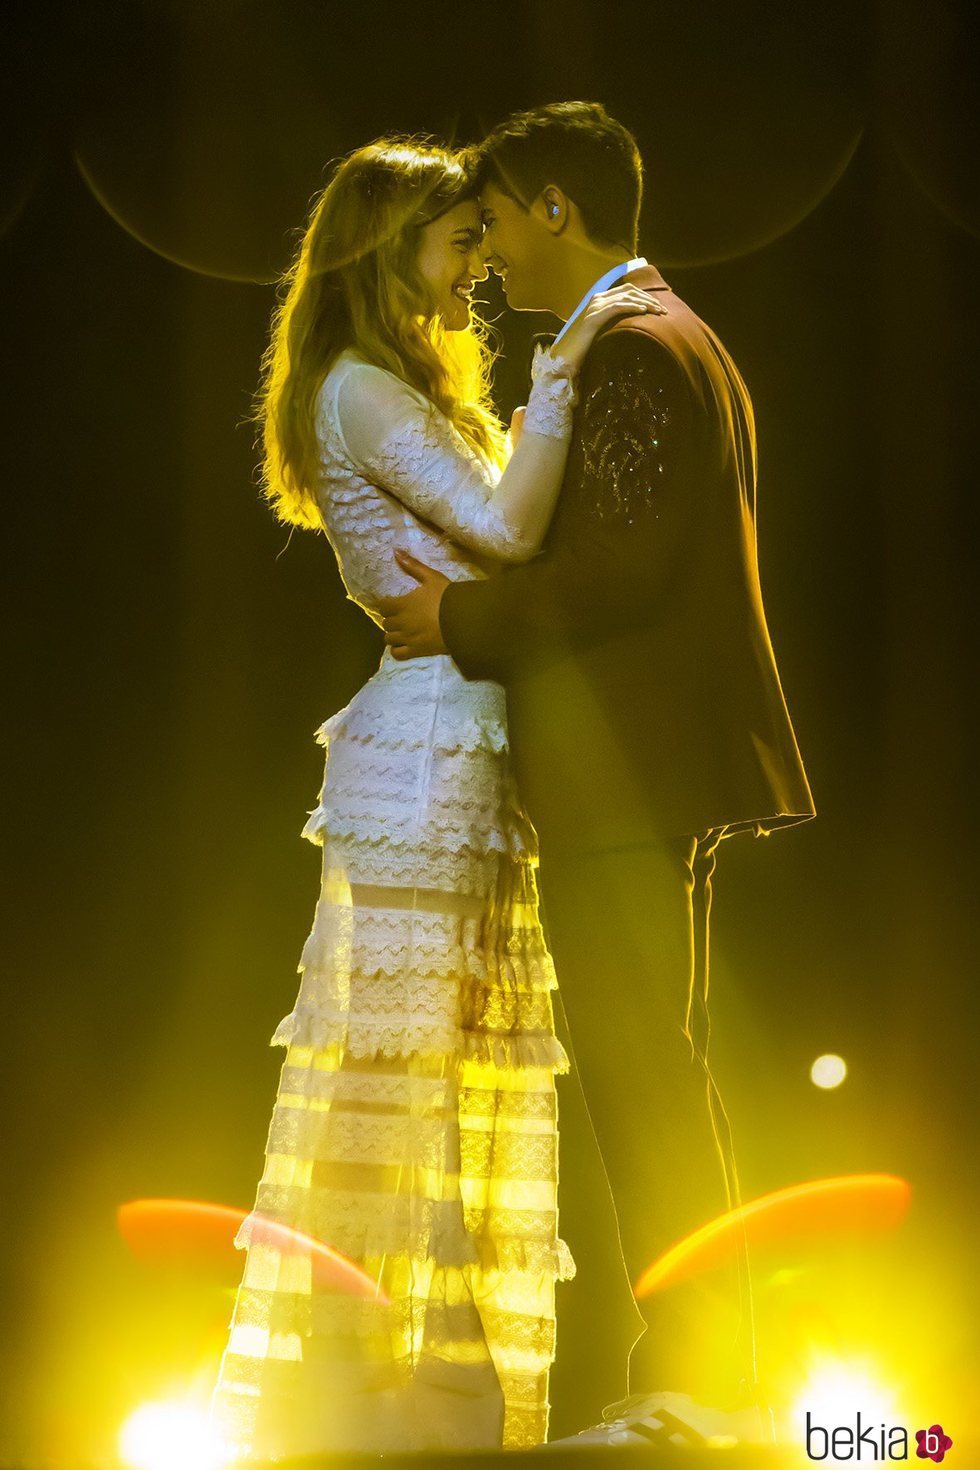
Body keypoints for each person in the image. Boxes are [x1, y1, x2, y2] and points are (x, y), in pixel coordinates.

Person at [205, 135, 660, 1460]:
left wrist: (527, 433)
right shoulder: (355, 391)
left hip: (459, 747)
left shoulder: (386, 386)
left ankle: (436, 1413)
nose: (476, 265)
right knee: (402, 1090)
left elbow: (504, 526)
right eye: (457, 239)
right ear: (387, 241)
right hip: (426, 759)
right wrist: (559, 389)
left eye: (479, 237)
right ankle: (373, 1414)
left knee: (451, 1087)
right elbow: (512, 531)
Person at [380, 101, 817, 1448]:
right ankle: (703, 1370)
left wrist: (450, 617)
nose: (491, 250)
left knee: (645, 1071)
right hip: (641, 768)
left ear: (555, 212)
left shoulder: (634, 347)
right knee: (653, 1067)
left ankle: (697, 1380)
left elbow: (616, 569)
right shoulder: (650, 337)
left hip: (633, 771)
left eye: (499, 217)